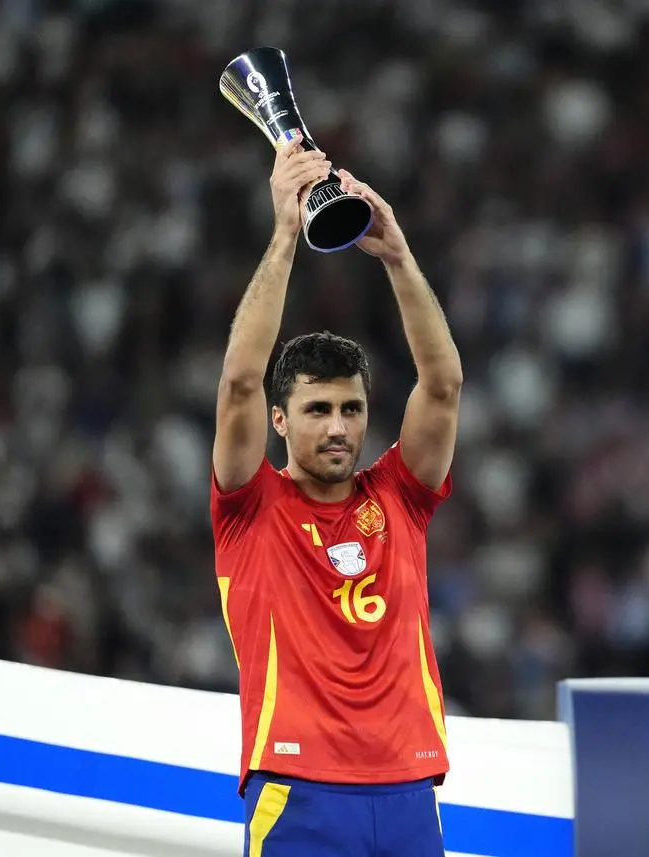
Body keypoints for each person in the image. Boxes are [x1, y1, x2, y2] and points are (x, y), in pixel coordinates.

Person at [209, 132, 463, 857]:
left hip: (410, 787)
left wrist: (399, 258)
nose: (338, 427)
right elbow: (239, 383)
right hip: (298, 788)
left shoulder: (402, 496)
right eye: (318, 410)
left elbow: (442, 385)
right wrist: (287, 230)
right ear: (280, 420)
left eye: (351, 409)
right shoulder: (247, 506)